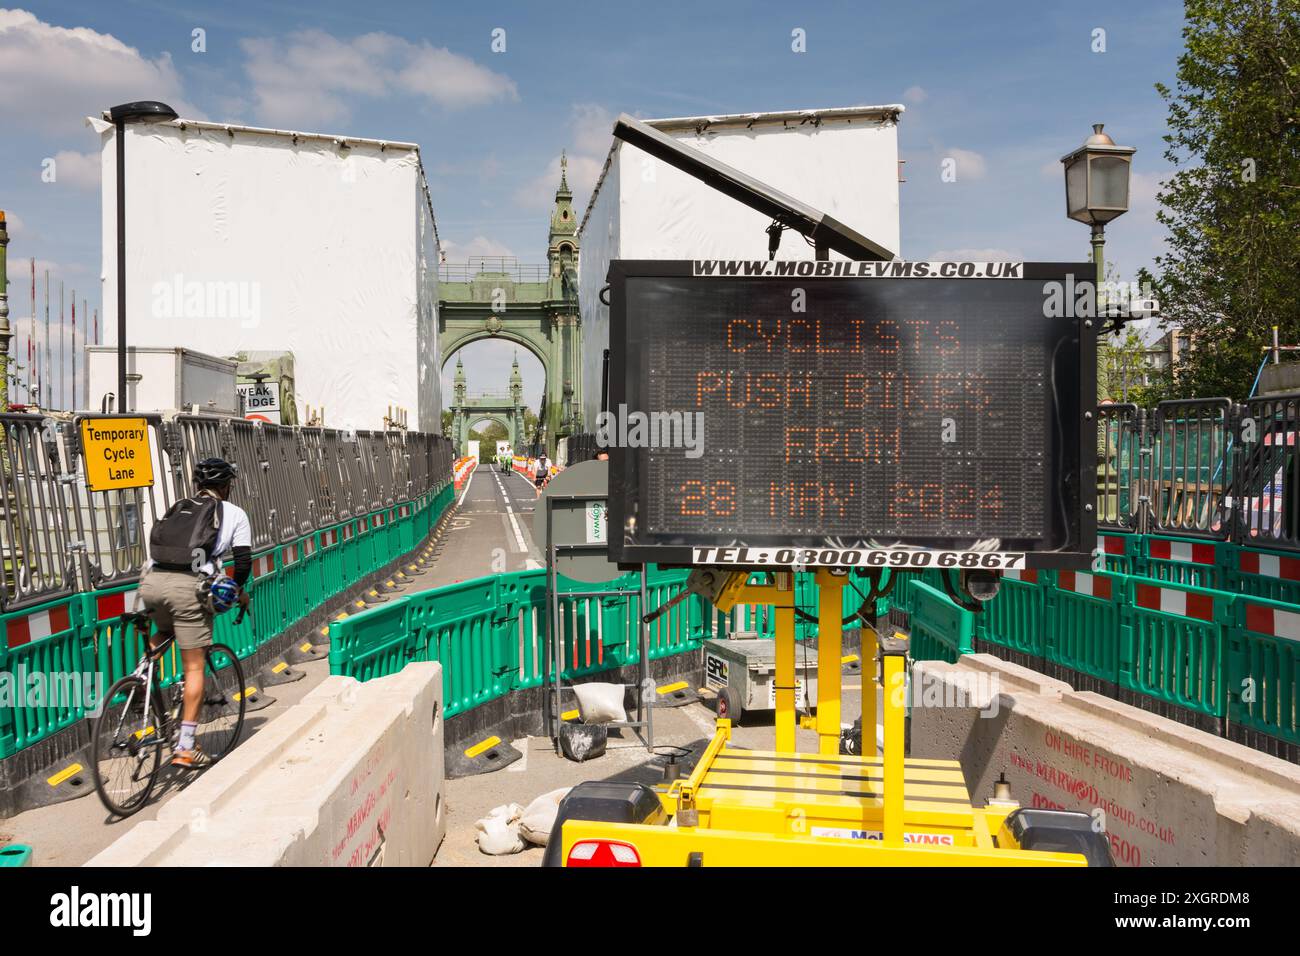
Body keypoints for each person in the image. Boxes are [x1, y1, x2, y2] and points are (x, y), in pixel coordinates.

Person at [138, 457, 252, 769]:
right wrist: (238, 592)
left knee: (165, 631)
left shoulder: (178, 507)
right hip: (189, 589)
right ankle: (186, 746)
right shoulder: (235, 514)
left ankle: (143, 674)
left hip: (151, 582)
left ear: (196, 485)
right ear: (227, 486)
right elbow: (242, 564)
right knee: (193, 667)